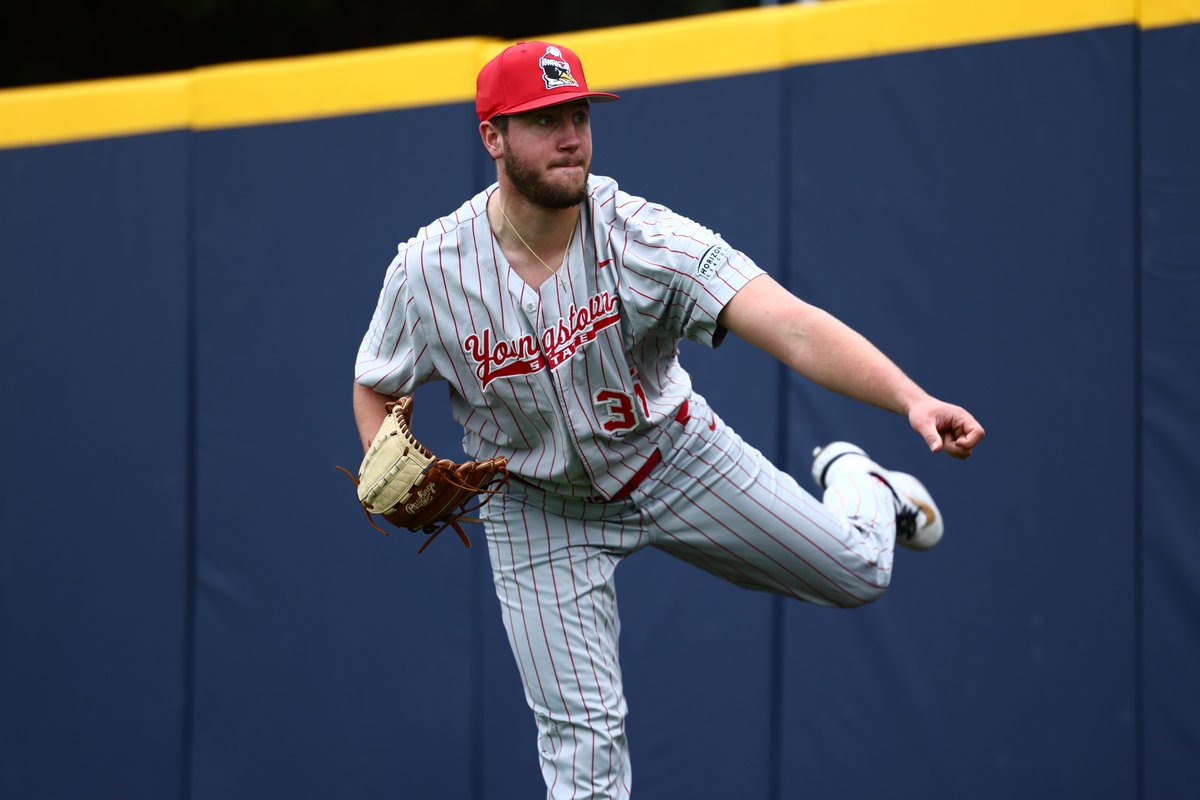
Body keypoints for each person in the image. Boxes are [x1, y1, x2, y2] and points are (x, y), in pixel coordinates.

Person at [353, 40, 984, 800]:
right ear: (492, 136)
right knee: (583, 756)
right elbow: (377, 382)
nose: (570, 135)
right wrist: (385, 458)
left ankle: (865, 481)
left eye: (579, 114)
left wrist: (910, 398)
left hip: (671, 458)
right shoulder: (427, 270)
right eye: (544, 118)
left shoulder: (644, 238)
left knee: (858, 572)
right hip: (536, 510)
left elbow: (789, 324)